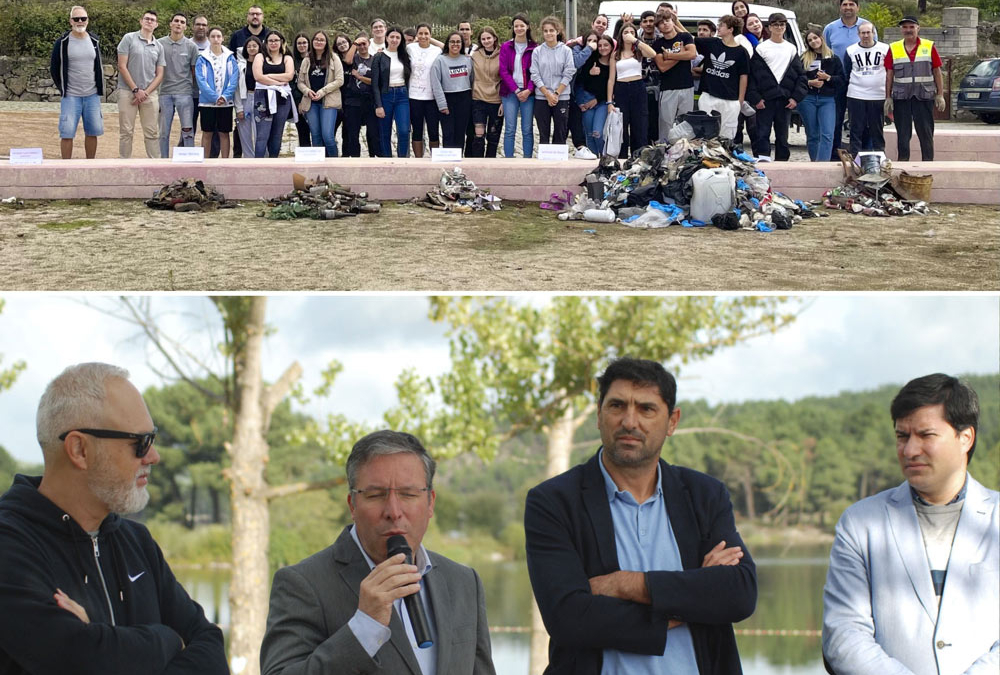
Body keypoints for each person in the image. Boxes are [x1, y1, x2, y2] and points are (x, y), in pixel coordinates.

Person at [525, 357, 757, 675]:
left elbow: (739, 594)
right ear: (598, 414)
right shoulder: (553, 502)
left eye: (646, 409)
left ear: (672, 421)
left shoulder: (704, 495)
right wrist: (694, 600)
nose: (629, 422)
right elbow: (569, 618)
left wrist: (627, 584)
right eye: (617, 406)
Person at [0, 362, 228, 674]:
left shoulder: (137, 542)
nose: (153, 456)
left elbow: (211, 651)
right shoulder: (10, 545)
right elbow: (76, 660)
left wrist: (104, 641)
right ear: (79, 449)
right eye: (140, 442)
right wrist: (171, 639)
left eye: (153, 438)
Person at [260, 430, 497, 675]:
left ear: (430, 503)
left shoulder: (464, 582)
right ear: (352, 505)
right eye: (375, 495)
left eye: (408, 494)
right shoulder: (302, 584)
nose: (393, 511)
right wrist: (365, 626)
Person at [822, 374, 999, 675]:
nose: (910, 450)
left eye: (926, 435)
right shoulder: (861, 523)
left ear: (965, 438)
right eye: (902, 436)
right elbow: (843, 634)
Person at [660, 15, 749, 141]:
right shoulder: (712, 43)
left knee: (727, 135)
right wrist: (676, 21)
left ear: (731, 29)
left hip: (730, 99)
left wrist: (740, 100)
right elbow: (689, 37)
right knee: (705, 133)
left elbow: (743, 76)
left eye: (721, 25)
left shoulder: (741, 52)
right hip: (709, 96)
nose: (718, 28)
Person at [747, 12, 806, 161]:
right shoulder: (761, 48)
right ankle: (764, 165)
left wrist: (795, 98)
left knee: (783, 137)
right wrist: (756, 98)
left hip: (785, 100)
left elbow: (800, 76)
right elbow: (752, 76)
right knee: (762, 135)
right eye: (775, 24)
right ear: (769, 27)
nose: (779, 27)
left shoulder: (791, 49)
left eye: (782, 24)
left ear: (785, 27)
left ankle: (782, 165)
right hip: (765, 101)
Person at [885, 16, 945, 162]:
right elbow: (889, 74)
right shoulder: (894, 47)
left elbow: (937, 71)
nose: (908, 30)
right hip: (902, 97)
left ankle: (928, 164)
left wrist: (940, 95)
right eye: (905, 27)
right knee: (903, 134)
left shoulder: (929, 46)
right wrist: (888, 97)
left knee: (926, 133)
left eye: (911, 27)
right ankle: (903, 162)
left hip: (923, 96)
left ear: (918, 28)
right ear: (901, 30)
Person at [824, 0, 876, 159]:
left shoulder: (867, 27)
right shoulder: (830, 28)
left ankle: (864, 154)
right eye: (845, 4)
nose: (848, 8)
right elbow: (825, 53)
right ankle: (835, 154)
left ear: (858, 7)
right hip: (838, 81)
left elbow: (874, 49)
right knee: (836, 119)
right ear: (840, 7)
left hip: (861, 82)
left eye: (851, 4)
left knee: (862, 121)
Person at [51, 6, 104, 159]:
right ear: (70, 21)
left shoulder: (94, 40)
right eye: (76, 19)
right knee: (67, 133)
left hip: (92, 95)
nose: (80, 21)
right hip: (71, 96)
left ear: (88, 20)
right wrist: (63, 89)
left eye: (83, 18)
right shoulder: (62, 43)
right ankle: (66, 167)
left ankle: (90, 164)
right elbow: (54, 68)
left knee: (93, 132)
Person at [116, 10, 164, 158]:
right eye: (147, 19)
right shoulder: (128, 39)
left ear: (156, 25)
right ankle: (124, 164)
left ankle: (155, 165)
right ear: (141, 21)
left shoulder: (159, 46)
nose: (149, 21)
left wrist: (145, 93)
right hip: (127, 92)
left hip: (149, 94)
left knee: (152, 132)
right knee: (126, 131)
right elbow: (122, 66)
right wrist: (136, 90)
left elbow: (160, 74)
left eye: (152, 20)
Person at [157, 13, 199, 159]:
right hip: (164, 93)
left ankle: (189, 163)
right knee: (163, 133)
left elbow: (194, 71)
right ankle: (163, 162)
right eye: (176, 21)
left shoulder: (191, 46)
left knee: (187, 131)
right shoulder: (159, 44)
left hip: (185, 94)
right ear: (170, 24)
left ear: (186, 26)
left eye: (182, 22)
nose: (179, 24)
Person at [843, 22, 888, 157]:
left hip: (878, 95)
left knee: (877, 130)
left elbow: (890, 71)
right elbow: (847, 72)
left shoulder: (885, 49)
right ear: (858, 35)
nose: (866, 35)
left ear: (874, 33)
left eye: (868, 32)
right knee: (856, 130)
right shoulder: (851, 50)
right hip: (856, 95)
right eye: (863, 33)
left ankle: (880, 159)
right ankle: (856, 160)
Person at [531, 17, 576, 148]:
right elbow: (535, 74)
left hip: (561, 97)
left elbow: (569, 72)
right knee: (543, 134)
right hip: (541, 97)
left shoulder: (566, 51)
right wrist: (547, 94)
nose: (548, 33)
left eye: (551, 30)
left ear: (558, 31)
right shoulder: (537, 51)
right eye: (545, 31)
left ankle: (559, 165)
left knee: (560, 133)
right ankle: (544, 165)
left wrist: (556, 93)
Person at [799, 30, 843, 161]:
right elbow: (797, 79)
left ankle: (822, 164)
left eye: (815, 38)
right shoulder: (803, 58)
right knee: (812, 135)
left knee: (827, 134)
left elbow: (841, 81)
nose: (813, 42)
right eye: (810, 40)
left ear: (821, 38)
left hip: (827, 100)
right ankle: (814, 164)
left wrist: (828, 78)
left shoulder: (834, 58)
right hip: (808, 99)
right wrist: (809, 82)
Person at [297, 30, 343, 157]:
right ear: (312, 42)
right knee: (316, 136)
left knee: (327, 136)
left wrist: (323, 91)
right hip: (311, 103)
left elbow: (340, 80)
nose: (319, 42)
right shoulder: (307, 59)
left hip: (328, 102)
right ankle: (319, 166)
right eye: (316, 39)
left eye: (322, 40)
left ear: (326, 42)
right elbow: (300, 82)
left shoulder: (334, 58)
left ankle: (334, 163)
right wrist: (307, 91)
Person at [196, 26, 238, 158]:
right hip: (207, 103)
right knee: (207, 133)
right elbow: (201, 81)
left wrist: (225, 96)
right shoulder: (202, 58)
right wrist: (214, 97)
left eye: (218, 36)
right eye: (213, 36)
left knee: (224, 133)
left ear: (223, 38)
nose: (216, 39)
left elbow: (234, 79)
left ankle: (225, 162)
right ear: (208, 38)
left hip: (225, 103)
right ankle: (205, 161)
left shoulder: (230, 57)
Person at [253, 30, 296, 158]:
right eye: (270, 40)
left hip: (282, 97)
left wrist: (270, 76)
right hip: (262, 97)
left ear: (281, 42)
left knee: (277, 134)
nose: (273, 43)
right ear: (266, 43)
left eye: (276, 40)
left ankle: (273, 162)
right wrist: (277, 83)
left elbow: (289, 76)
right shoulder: (259, 57)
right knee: (262, 134)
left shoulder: (287, 58)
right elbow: (258, 76)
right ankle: (258, 164)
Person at [653, 13, 695, 140]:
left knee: (685, 122)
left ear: (673, 22)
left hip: (687, 86)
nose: (665, 24)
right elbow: (663, 67)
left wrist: (670, 56)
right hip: (668, 88)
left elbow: (692, 54)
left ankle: (683, 150)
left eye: (667, 20)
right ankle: (664, 150)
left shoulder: (685, 37)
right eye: (661, 22)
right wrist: (681, 55)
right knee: (666, 122)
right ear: (658, 27)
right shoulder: (658, 43)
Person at [499, 14, 536, 158]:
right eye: (516, 26)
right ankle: (509, 160)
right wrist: (515, 89)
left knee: (527, 129)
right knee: (509, 129)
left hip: (529, 93)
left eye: (522, 25)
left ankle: (527, 159)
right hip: (510, 93)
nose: (519, 28)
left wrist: (529, 90)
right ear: (513, 28)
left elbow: (536, 72)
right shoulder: (506, 46)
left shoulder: (534, 47)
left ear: (527, 26)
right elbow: (503, 71)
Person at [372, 26, 411, 157]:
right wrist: (378, 105)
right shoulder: (379, 56)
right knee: (384, 132)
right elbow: (375, 83)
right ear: (387, 38)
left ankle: (402, 160)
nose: (394, 40)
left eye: (398, 37)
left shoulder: (405, 55)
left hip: (402, 95)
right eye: (392, 37)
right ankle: (387, 161)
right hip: (385, 95)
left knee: (404, 131)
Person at [431, 32, 474, 152]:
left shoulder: (467, 59)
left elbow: (472, 80)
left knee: (460, 133)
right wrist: (442, 104)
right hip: (447, 98)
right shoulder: (440, 60)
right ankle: (448, 160)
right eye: (452, 42)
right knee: (448, 133)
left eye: (458, 42)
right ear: (448, 44)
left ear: (462, 44)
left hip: (464, 98)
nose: (455, 44)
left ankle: (458, 162)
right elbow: (436, 83)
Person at [407, 25, 443, 158]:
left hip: (432, 97)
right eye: (420, 33)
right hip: (414, 96)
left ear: (430, 34)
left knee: (433, 131)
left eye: (426, 33)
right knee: (417, 131)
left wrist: (430, 40)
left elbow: (447, 47)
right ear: (416, 35)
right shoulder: (410, 48)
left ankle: (435, 158)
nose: (423, 36)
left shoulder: (436, 50)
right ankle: (418, 159)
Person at [342, 32, 381, 157]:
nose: (362, 46)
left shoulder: (375, 59)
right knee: (353, 133)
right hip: (353, 100)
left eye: (364, 43)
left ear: (369, 44)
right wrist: (355, 44)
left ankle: (373, 157)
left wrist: (359, 77)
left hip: (370, 99)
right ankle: (355, 158)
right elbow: (347, 60)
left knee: (373, 133)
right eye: (360, 44)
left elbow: (376, 81)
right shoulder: (354, 58)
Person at [574, 32, 612, 156]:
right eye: (600, 45)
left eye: (606, 45)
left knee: (598, 132)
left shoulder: (613, 62)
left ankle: (604, 158)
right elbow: (580, 81)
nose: (602, 48)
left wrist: (597, 99)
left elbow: (613, 85)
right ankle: (594, 160)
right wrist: (590, 73)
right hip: (587, 99)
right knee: (589, 134)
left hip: (602, 102)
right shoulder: (591, 60)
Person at [469, 27, 502, 158]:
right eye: (483, 39)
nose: (486, 41)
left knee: (493, 137)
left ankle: (490, 165)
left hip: (496, 100)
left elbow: (506, 76)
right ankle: (478, 164)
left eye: (489, 38)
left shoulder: (503, 54)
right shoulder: (475, 55)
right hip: (478, 100)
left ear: (494, 38)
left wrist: (504, 102)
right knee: (478, 136)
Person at [234, 36, 261, 157]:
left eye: (254, 46)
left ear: (260, 47)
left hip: (260, 99)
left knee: (261, 132)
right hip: (245, 98)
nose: (252, 48)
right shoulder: (240, 65)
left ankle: (262, 158)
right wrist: (239, 107)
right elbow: (237, 88)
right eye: (249, 46)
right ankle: (248, 158)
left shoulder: (264, 64)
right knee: (244, 133)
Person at [290, 32, 312, 149]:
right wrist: (299, 101)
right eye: (299, 43)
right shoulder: (292, 61)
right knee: (303, 131)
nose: (302, 45)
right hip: (299, 101)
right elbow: (292, 83)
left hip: (316, 99)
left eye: (304, 43)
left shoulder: (315, 60)